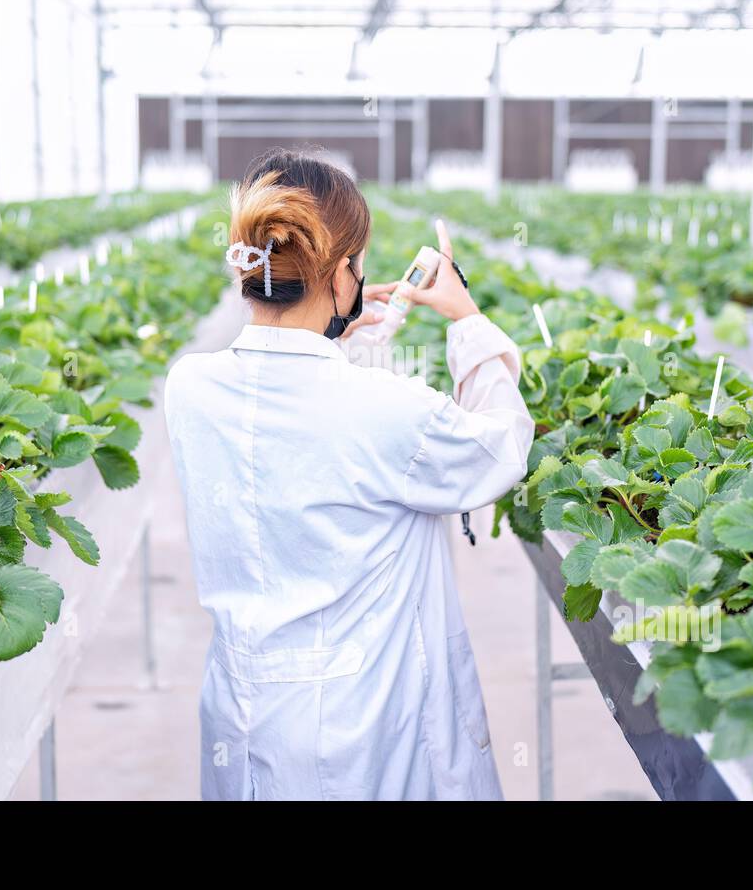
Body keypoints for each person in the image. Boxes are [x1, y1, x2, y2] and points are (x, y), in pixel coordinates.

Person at [164, 148, 534, 800]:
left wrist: (340, 337)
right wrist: (467, 322)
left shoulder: (190, 386)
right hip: (360, 730)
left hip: (242, 709)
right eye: (356, 266)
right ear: (341, 274)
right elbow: (498, 449)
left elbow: (295, 409)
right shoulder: (385, 412)